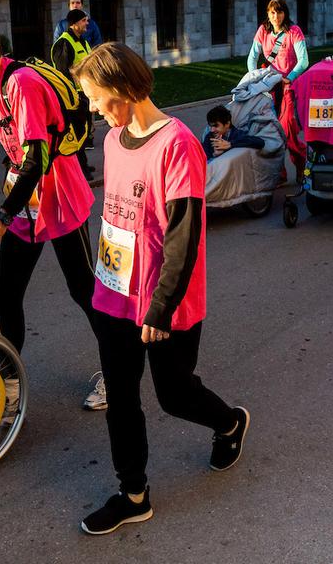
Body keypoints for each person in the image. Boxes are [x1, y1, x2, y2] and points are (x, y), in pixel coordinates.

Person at [71, 43, 249, 535]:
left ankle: (229, 423)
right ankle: (133, 494)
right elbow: (116, 218)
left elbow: (183, 234)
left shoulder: (177, 145)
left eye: (95, 97)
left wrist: (160, 308)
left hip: (163, 303)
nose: (91, 109)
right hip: (113, 294)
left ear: (125, 89)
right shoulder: (111, 139)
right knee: (123, 397)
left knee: (174, 395)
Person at [0, 11, 106, 410]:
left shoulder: (23, 84)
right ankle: (8, 382)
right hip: (24, 200)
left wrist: (2, 215)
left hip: (59, 193)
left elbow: (37, 157)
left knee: (85, 292)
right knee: (7, 294)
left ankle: (117, 370)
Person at [245, 0, 309, 180]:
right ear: (268, 13)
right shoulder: (263, 31)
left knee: (288, 130)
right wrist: (256, 78)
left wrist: (289, 78)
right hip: (269, 87)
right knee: (270, 132)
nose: (276, 16)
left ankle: (301, 166)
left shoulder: (294, 31)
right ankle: (279, 174)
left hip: (289, 86)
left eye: (279, 12)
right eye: (272, 12)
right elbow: (252, 58)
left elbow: (304, 61)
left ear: (285, 13)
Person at [52, 8, 97, 180]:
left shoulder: (83, 42)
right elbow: (62, 74)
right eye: (84, 20)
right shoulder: (64, 43)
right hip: (72, 98)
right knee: (76, 134)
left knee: (84, 132)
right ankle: (78, 170)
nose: (87, 23)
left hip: (85, 95)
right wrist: (72, 97)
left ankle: (82, 164)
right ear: (75, 24)